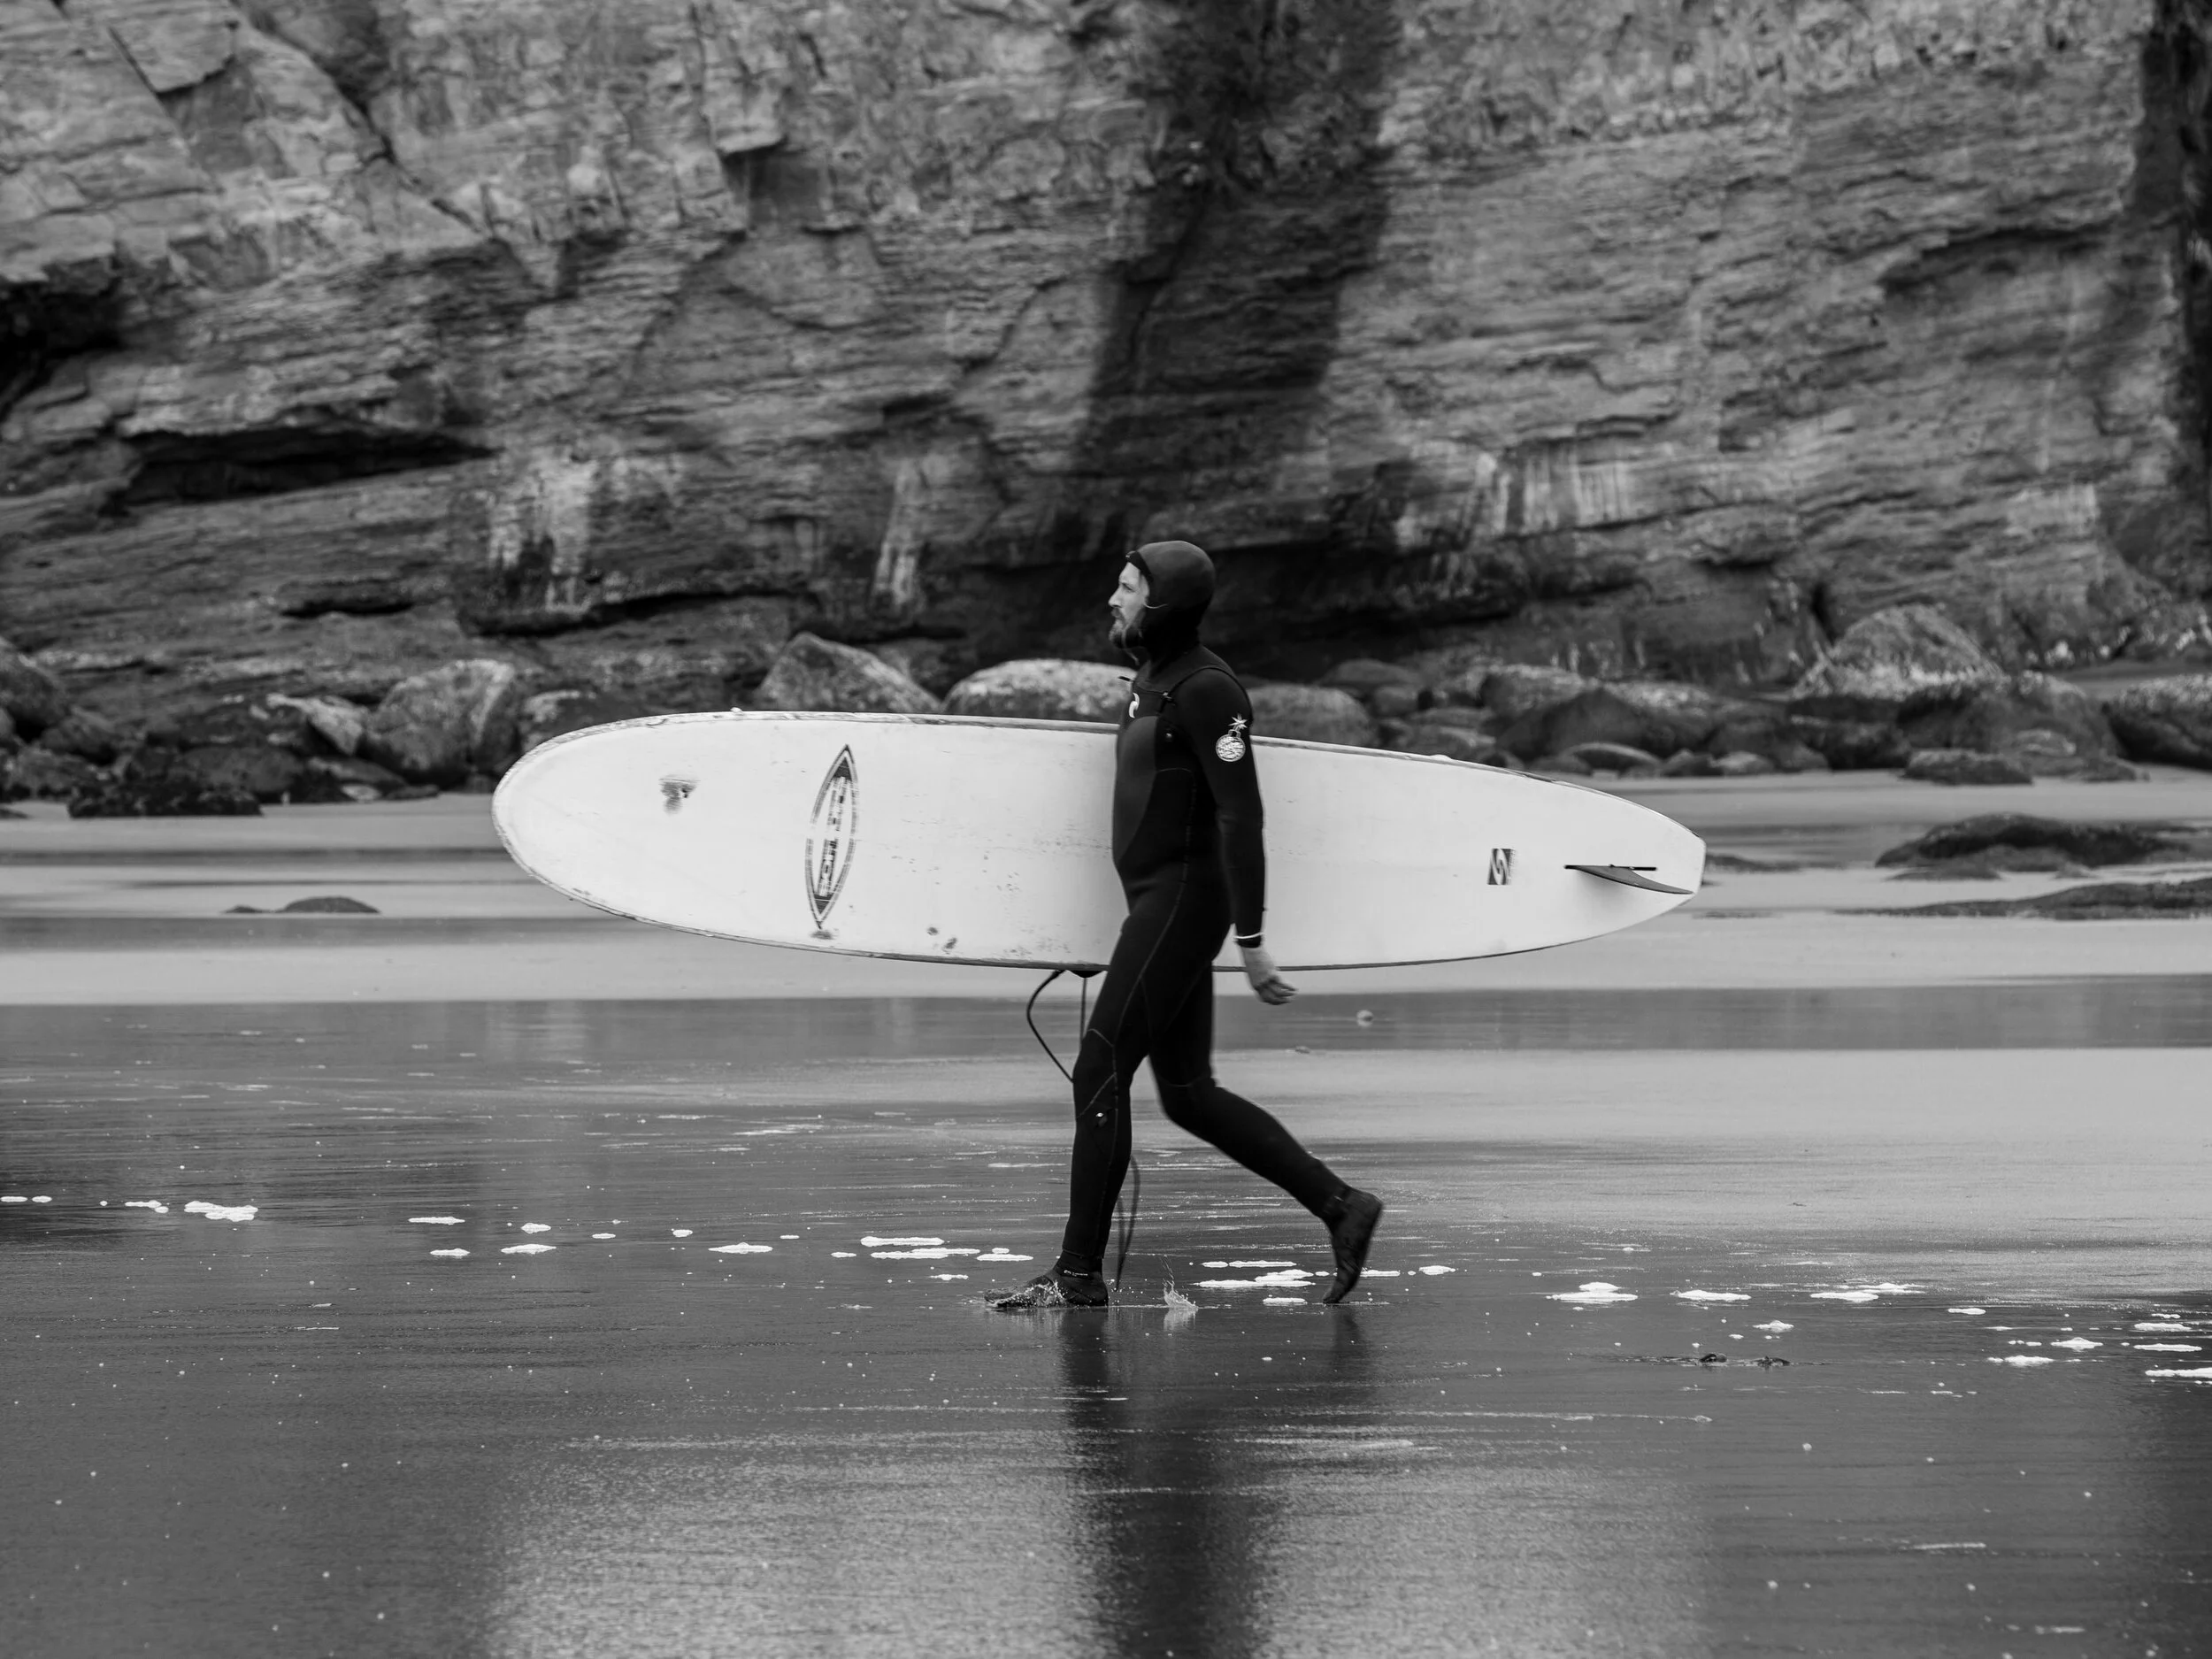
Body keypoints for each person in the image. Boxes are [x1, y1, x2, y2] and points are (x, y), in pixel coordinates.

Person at [994, 540, 1384, 1310]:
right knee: (1188, 1093)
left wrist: (1252, 938)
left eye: (1128, 587)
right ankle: (1344, 1207)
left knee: (1099, 1066)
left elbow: (1243, 816)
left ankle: (1077, 1273)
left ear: (1163, 602)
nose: (1113, 596)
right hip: (1155, 904)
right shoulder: (1149, 680)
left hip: (1184, 903)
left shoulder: (1209, 689)